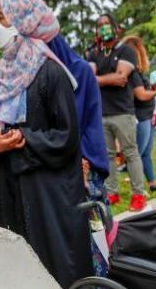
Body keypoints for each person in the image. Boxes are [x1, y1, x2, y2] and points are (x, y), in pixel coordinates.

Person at [0, 0, 92, 289]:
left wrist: (21, 138)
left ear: (23, 22)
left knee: (56, 271)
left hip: (46, 192)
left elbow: (66, 136)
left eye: (2, 18)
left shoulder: (50, 72)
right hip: (7, 186)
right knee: (17, 268)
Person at [88, 13, 146, 211]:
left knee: (130, 153)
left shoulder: (126, 50)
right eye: (99, 25)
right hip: (102, 113)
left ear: (115, 27)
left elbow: (121, 78)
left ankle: (138, 194)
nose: (103, 27)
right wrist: (106, 79)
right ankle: (112, 192)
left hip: (123, 112)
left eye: (106, 24)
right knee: (108, 155)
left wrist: (99, 79)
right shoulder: (94, 53)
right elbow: (89, 77)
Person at [46, 33, 110, 207]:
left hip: (85, 159)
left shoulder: (77, 71)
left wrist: (80, 157)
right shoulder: (53, 72)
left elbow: (76, 119)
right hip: (69, 159)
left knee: (95, 226)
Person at [120, 35, 156, 192]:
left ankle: (152, 182)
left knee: (145, 152)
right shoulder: (132, 73)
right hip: (141, 117)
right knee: (137, 154)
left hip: (147, 115)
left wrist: (151, 90)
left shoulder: (137, 72)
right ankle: (137, 188)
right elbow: (140, 95)